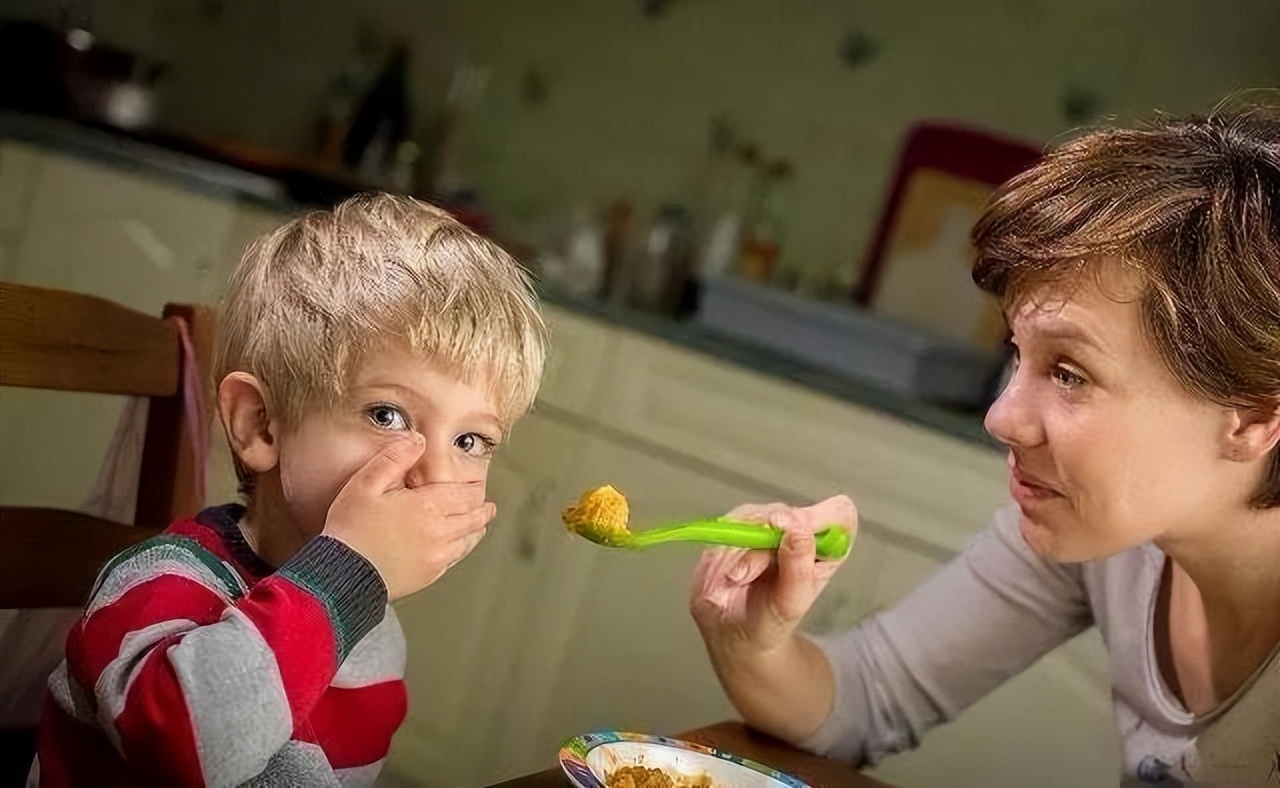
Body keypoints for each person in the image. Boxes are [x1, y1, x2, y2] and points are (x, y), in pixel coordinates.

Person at [690, 98, 1280, 787]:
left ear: (1251, 419)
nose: (1001, 417)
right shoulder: (1106, 538)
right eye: (1017, 352)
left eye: (1069, 372)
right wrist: (753, 640)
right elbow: (866, 697)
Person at [34, 194, 548, 786]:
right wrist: (350, 572)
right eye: (387, 415)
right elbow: (182, 750)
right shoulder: (162, 586)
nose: (434, 472)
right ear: (261, 423)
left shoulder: (373, 629)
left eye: (470, 441)